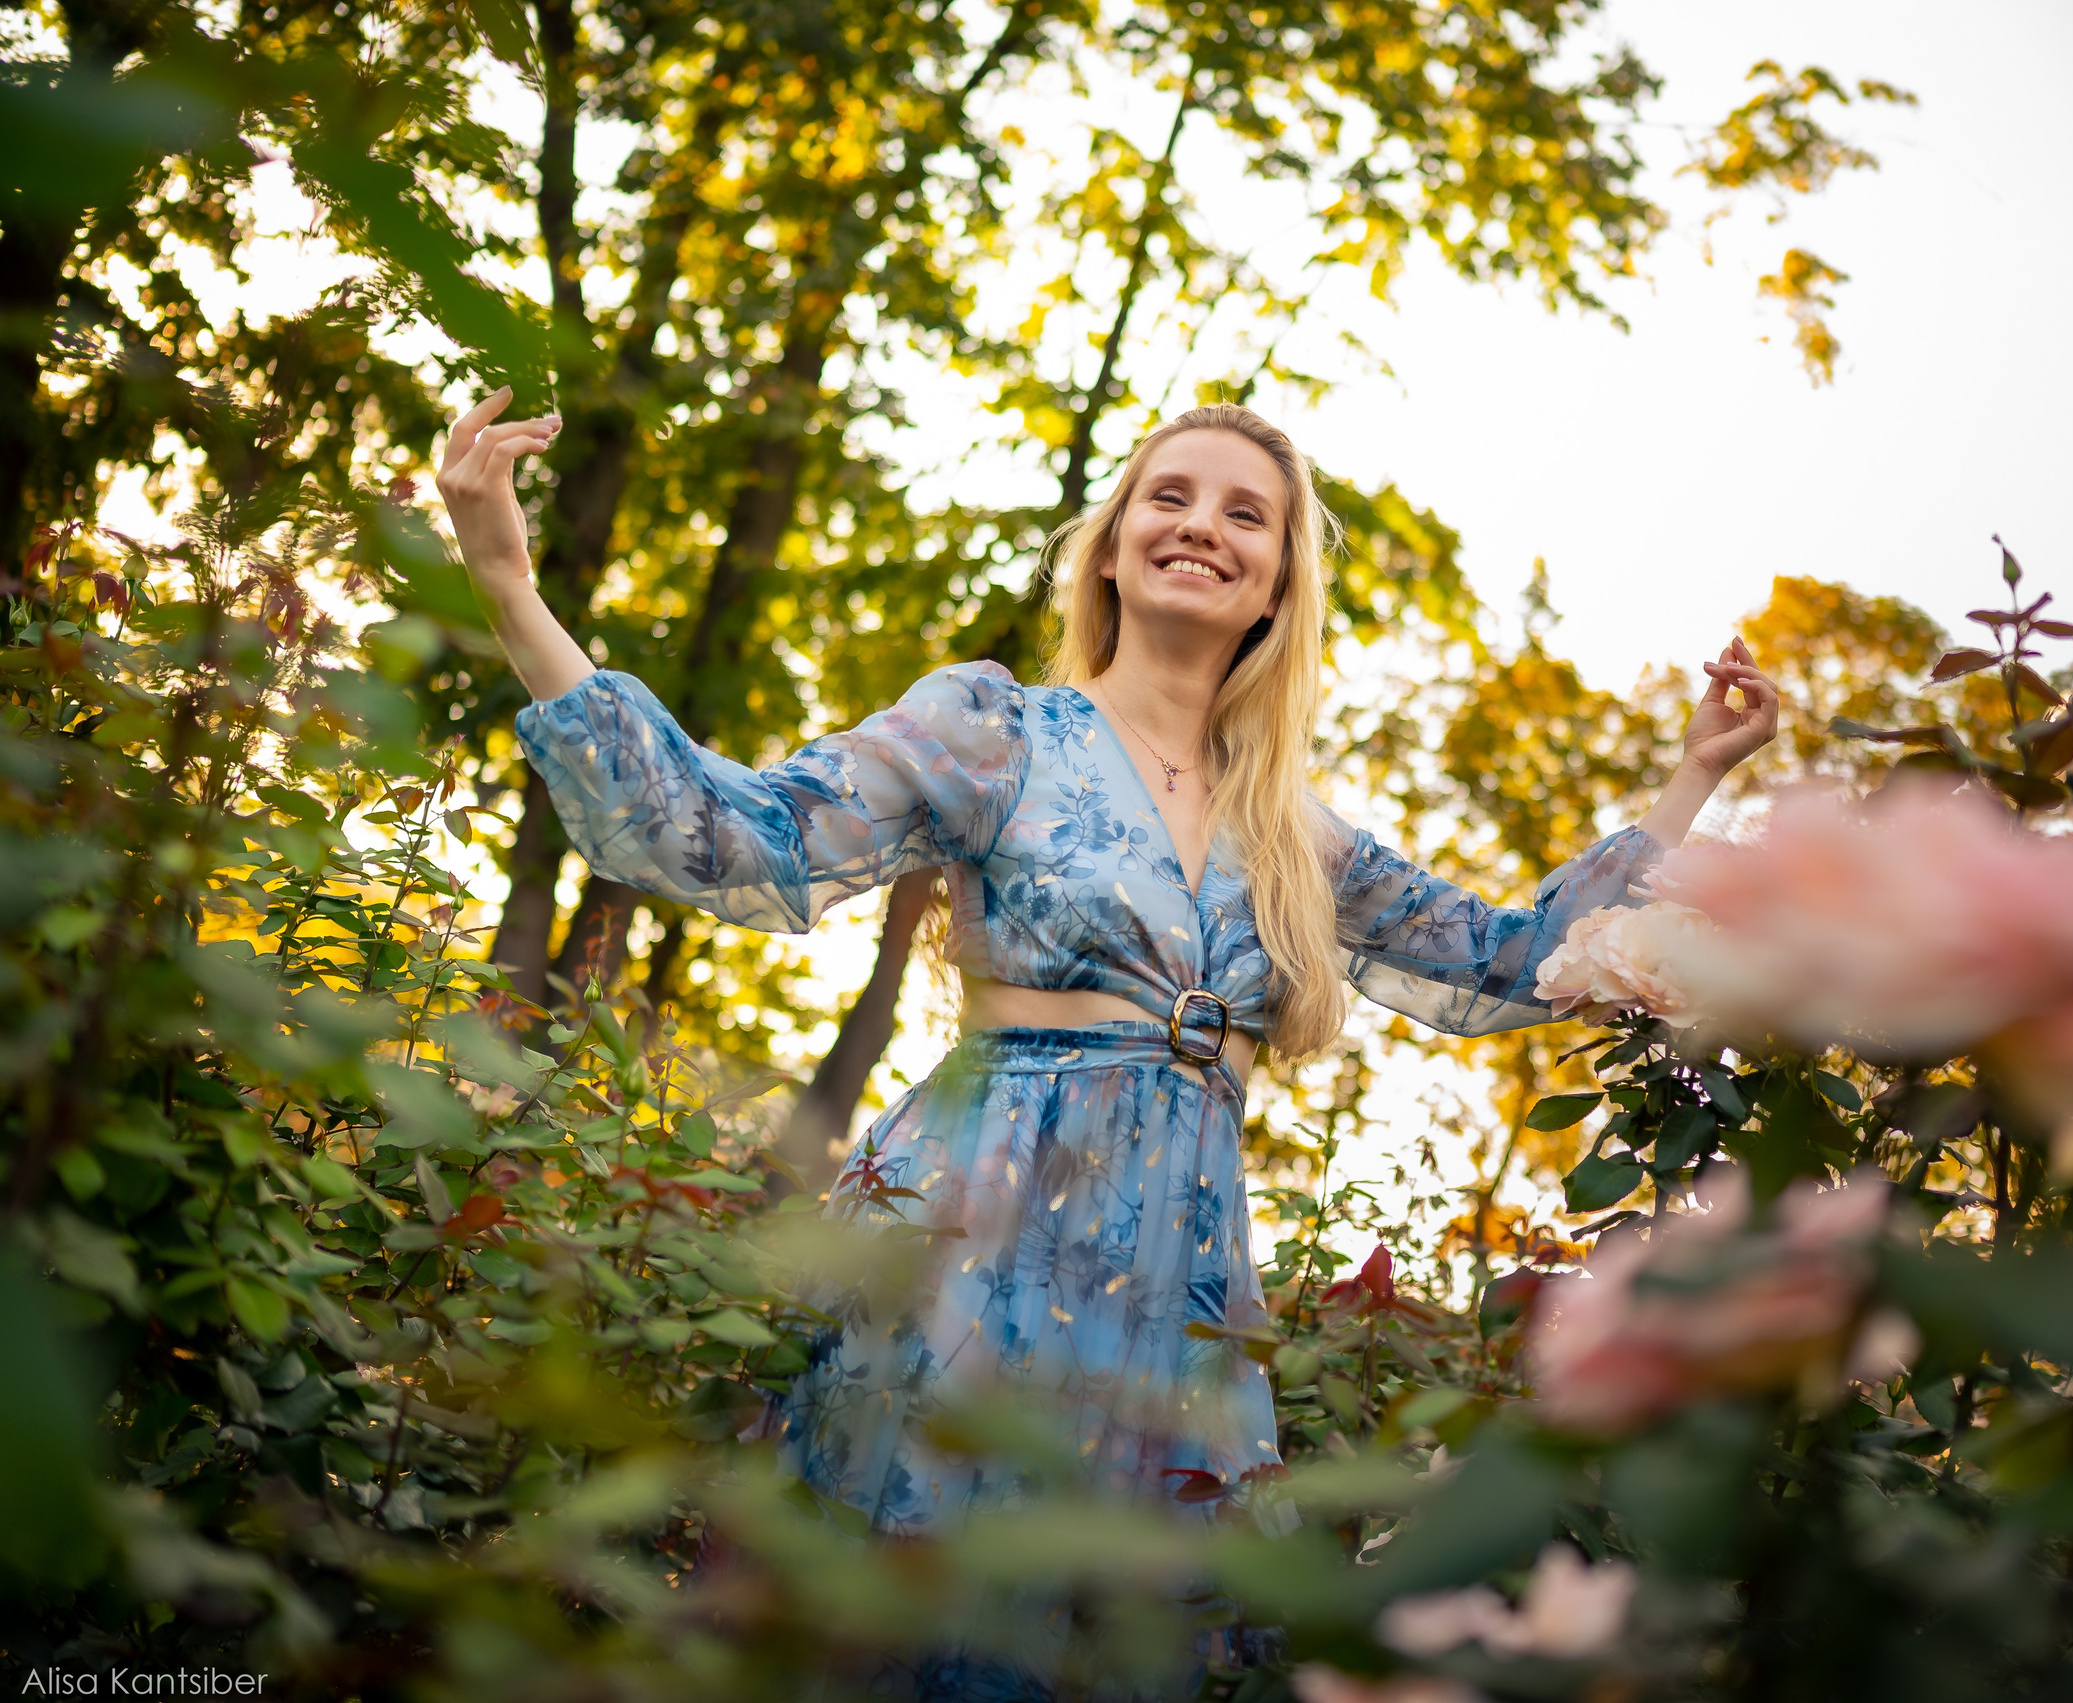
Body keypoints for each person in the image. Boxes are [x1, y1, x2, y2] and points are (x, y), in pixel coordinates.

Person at [432, 385, 1778, 1555]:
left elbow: (1512, 964)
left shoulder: (1296, 840)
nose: (1202, 523)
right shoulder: (995, 736)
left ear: (1278, 586)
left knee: (1125, 1612)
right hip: (974, 1228)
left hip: (1180, 1275)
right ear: (1117, 552)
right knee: (925, 1577)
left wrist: (1695, 775)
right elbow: (728, 834)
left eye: (1248, 515)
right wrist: (508, 581)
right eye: (1170, 497)